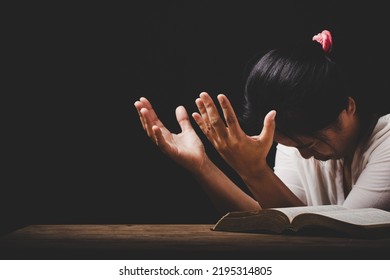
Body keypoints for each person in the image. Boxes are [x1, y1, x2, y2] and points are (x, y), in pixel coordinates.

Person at [134, 30, 390, 214]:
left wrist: (254, 170)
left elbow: (340, 240)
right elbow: (282, 219)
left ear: (348, 107)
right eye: (293, 145)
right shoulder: (294, 145)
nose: (304, 154)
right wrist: (202, 166)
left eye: (312, 143)